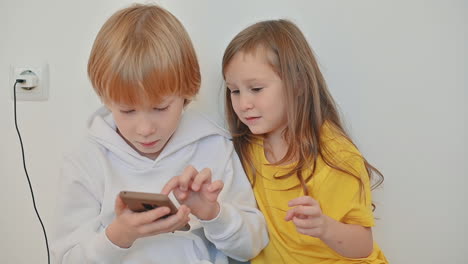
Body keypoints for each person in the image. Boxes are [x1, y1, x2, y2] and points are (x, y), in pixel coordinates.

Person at [51, 4, 268, 264]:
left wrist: (213, 213)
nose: (145, 129)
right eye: (128, 111)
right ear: (106, 99)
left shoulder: (214, 145)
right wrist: (117, 236)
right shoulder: (86, 158)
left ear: (187, 93)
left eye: (160, 108)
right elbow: (66, 259)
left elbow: (251, 247)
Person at [222, 19, 388, 263]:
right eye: (234, 91)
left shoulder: (335, 155)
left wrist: (325, 227)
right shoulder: (247, 147)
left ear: (297, 84)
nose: (243, 103)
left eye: (256, 89)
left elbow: (363, 246)